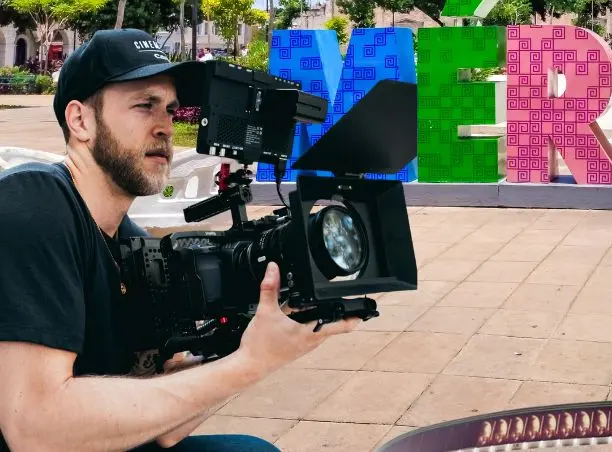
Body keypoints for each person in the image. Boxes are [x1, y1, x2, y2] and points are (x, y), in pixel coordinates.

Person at [0, 29, 363, 452]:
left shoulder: (134, 246)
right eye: (144, 106)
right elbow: (34, 428)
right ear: (81, 121)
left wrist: (250, 341)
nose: (166, 128)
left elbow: (167, 428)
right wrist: (248, 365)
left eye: (171, 110)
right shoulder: (35, 206)